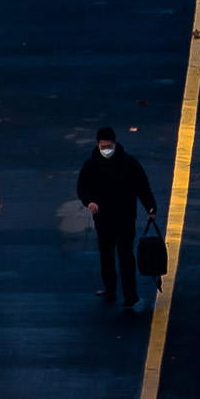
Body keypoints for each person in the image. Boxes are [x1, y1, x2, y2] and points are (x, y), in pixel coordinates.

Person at [77, 127, 157, 308]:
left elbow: (142, 187)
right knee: (107, 256)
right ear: (98, 144)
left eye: (109, 146)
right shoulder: (91, 165)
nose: (106, 149)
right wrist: (89, 202)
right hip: (103, 219)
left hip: (125, 217)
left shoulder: (129, 164)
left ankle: (130, 292)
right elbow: (82, 187)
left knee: (125, 255)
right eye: (103, 146)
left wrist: (151, 208)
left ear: (115, 143)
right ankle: (111, 289)